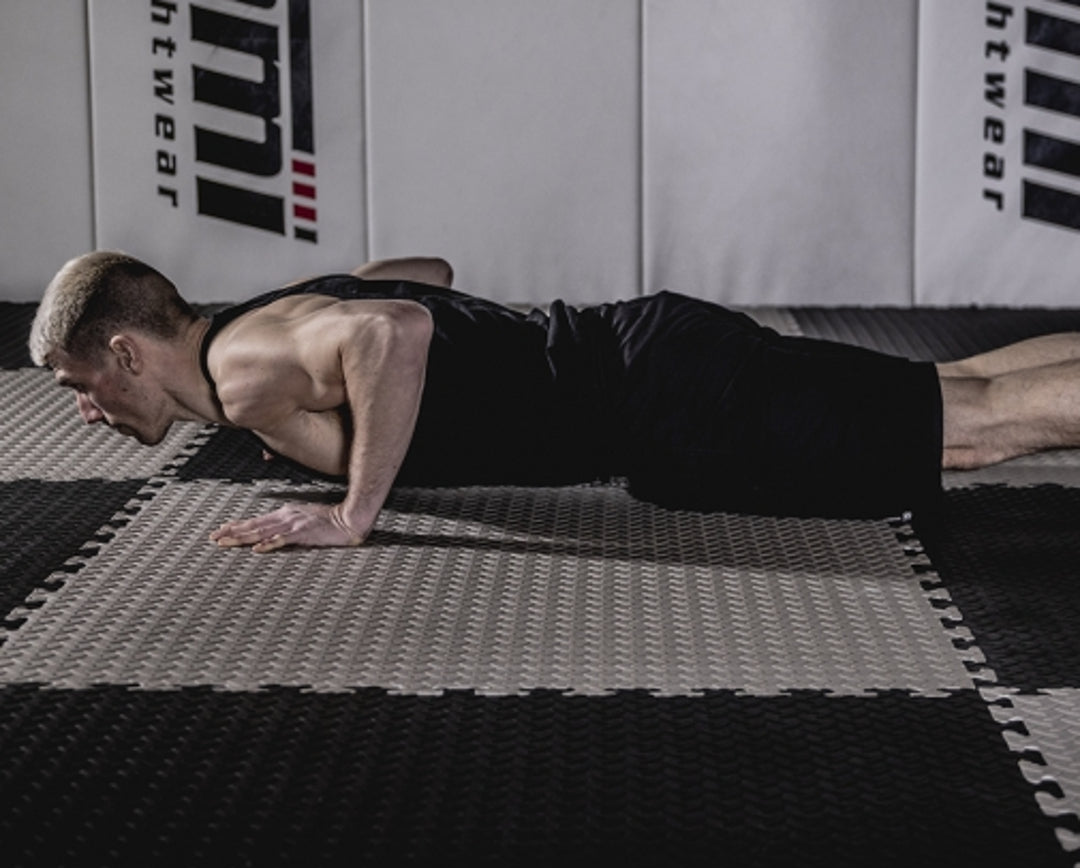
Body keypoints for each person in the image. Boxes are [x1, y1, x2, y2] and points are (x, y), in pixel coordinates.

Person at [28, 250, 1080, 552]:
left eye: (81, 386)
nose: (86, 411)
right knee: (952, 388)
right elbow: (422, 274)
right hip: (654, 354)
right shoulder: (257, 327)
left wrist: (355, 514)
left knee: (975, 432)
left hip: (664, 396)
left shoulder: (245, 373)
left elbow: (397, 329)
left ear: (125, 350)